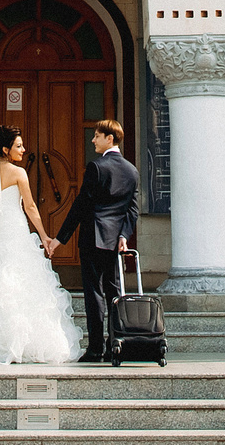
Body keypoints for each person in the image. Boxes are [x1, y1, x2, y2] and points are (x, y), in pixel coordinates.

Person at [0, 124, 81, 364]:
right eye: (18, 146)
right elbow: (30, 207)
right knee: (23, 281)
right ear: (5, 149)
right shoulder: (18, 173)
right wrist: (43, 236)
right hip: (15, 231)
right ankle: (23, 343)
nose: (23, 150)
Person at [55, 118, 139, 363]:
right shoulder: (131, 170)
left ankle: (95, 348)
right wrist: (124, 235)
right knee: (114, 290)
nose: (93, 140)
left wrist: (60, 239)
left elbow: (82, 205)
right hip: (115, 241)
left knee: (94, 293)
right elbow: (132, 210)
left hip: (93, 236)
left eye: (97, 136)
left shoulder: (97, 167)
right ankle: (116, 343)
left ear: (109, 138)